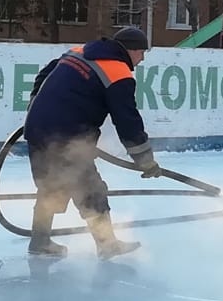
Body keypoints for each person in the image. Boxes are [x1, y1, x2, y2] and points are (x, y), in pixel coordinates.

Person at [23, 26, 161, 260]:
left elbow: (44, 74)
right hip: (65, 136)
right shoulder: (118, 72)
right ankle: (107, 245)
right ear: (129, 50)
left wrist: (37, 107)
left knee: (50, 186)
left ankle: (40, 242)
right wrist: (145, 160)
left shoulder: (79, 51)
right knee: (91, 189)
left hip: (36, 127)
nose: (142, 58)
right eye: (141, 52)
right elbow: (127, 121)